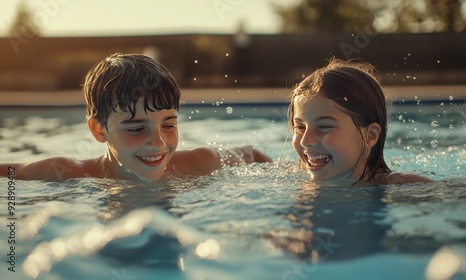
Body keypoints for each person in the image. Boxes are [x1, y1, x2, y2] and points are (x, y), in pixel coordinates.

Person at [0, 53, 271, 182]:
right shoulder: (68, 173)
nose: (158, 142)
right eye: (136, 128)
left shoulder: (199, 162)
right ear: (98, 130)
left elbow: (254, 154)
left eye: (168, 124)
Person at [288, 57, 431, 185]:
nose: (305, 141)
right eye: (300, 127)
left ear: (370, 135)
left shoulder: (402, 186)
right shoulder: (293, 181)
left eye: (324, 126)